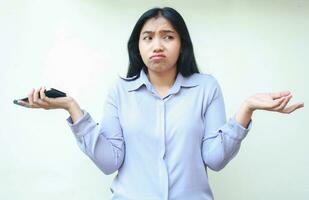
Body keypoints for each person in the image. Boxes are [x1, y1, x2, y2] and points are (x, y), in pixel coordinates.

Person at [18, 7, 304, 200]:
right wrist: (73, 109)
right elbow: (109, 162)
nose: (157, 45)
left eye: (168, 36)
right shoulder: (120, 91)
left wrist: (246, 110)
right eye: (148, 37)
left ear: (182, 44)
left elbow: (215, 159)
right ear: (137, 46)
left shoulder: (206, 88)